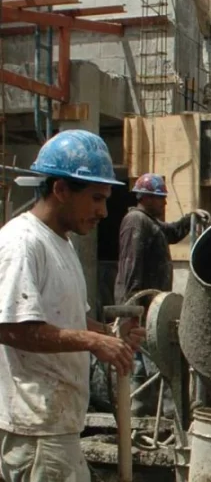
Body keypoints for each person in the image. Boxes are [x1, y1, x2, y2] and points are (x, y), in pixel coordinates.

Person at [0, 130, 145, 481]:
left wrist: (109, 334)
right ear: (61, 190)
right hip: (36, 429)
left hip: (56, 425)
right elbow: (12, 328)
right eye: (96, 198)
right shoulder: (22, 244)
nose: (103, 211)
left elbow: (68, 319)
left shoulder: (60, 243)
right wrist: (93, 342)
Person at [114, 172, 210, 416]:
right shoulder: (136, 221)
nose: (165, 202)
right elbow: (131, 267)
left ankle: (148, 413)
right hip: (142, 307)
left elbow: (172, 233)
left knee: (150, 360)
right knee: (149, 361)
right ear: (145, 198)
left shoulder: (150, 222)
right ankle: (143, 415)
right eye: (160, 198)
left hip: (151, 306)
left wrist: (191, 217)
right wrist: (134, 309)